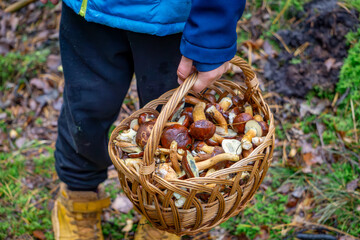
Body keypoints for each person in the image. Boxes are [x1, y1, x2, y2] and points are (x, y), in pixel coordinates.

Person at [40, 0, 246, 238]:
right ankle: (78, 196)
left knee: (172, 121)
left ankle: (164, 209)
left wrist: (213, 29)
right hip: (91, 10)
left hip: (174, 18)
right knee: (86, 109)